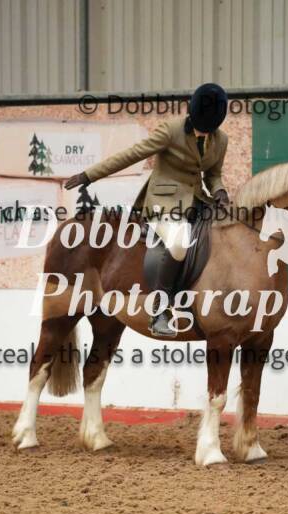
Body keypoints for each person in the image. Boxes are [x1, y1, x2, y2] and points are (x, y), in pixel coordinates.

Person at [65, 83, 230, 337]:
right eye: (200, 127)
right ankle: (159, 310)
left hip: (198, 201)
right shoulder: (170, 131)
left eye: (207, 129)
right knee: (179, 243)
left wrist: (219, 191)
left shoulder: (221, 140)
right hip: (164, 203)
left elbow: (213, 175)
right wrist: (89, 175)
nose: (203, 132)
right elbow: (131, 155)